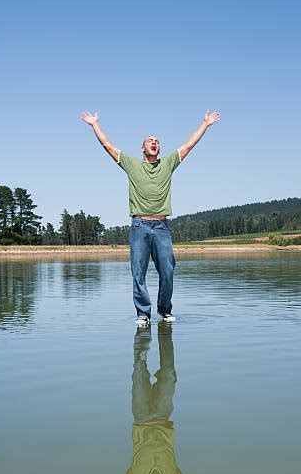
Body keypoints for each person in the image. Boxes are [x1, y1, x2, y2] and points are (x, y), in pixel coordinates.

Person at [81, 109, 221, 325]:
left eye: (157, 141)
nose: (154, 142)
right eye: (150, 140)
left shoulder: (168, 164)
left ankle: (164, 310)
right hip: (139, 226)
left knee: (168, 270)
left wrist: (205, 124)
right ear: (142, 148)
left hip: (162, 227)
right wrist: (94, 124)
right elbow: (108, 146)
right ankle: (143, 314)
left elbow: (189, 145)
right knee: (139, 272)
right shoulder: (131, 164)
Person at [86, 323, 225, 474]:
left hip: (141, 417)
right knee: (169, 373)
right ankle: (164, 332)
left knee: (139, 367)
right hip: (163, 414)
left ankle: (142, 330)